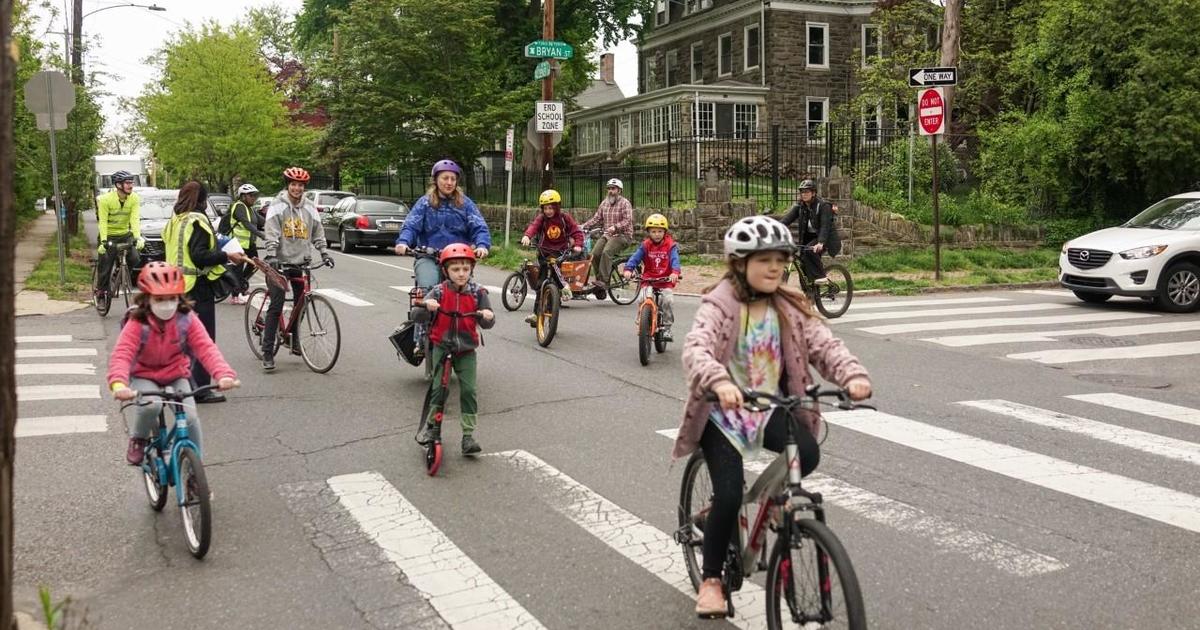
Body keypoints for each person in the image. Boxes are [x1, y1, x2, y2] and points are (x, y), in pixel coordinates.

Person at [673, 215, 871, 618]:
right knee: (728, 493)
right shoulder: (720, 304)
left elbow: (824, 344)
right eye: (764, 260)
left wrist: (851, 375)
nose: (775, 268)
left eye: (781, 260)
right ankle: (712, 579)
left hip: (768, 409)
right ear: (739, 263)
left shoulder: (788, 306)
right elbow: (697, 348)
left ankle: (767, 503)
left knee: (809, 453)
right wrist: (717, 381)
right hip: (723, 414)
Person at [107, 262, 239, 465]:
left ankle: (195, 472)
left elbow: (206, 347)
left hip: (176, 373)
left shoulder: (187, 319)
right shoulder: (137, 322)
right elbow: (122, 354)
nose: (167, 304)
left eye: (172, 298)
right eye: (160, 299)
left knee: (191, 418)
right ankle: (138, 439)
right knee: (152, 406)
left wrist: (223, 374)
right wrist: (119, 384)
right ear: (147, 298)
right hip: (144, 375)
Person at [163, 181, 248, 404]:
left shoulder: (176, 219)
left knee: (179, 337)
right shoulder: (198, 220)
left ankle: (178, 383)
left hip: (174, 285)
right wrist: (227, 256)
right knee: (202, 338)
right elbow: (200, 255)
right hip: (196, 286)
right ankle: (200, 388)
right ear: (202, 199)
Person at [416, 244, 496, 455]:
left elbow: (489, 321)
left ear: (471, 270)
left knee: (469, 390)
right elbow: (417, 315)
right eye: (455, 269)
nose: (461, 274)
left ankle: (468, 436)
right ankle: (433, 428)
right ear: (446, 271)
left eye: (465, 269)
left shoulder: (478, 292)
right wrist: (427, 305)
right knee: (439, 389)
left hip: (466, 350)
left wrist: (487, 315)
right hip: (442, 347)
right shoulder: (439, 291)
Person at [260, 166, 335, 371]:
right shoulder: (277, 205)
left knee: (301, 303)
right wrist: (272, 254)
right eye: (293, 184)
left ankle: (292, 341)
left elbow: (318, 231)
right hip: (279, 262)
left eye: (300, 185)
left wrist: (324, 252)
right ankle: (267, 351)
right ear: (288, 185)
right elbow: (272, 231)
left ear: (304, 187)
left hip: (300, 261)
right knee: (277, 305)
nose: (296, 188)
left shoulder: (309, 207)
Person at [393, 159, 492, 291]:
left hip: (458, 258)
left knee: (463, 293)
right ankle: (425, 309)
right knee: (428, 290)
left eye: (453, 179)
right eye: (445, 178)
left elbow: (479, 227)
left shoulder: (466, 204)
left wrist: (482, 245)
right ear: (436, 180)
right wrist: (403, 242)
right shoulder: (424, 203)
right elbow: (411, 225)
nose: (449, 182)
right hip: (428, 257)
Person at [520, 189, 584, 326]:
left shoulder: (564, 218)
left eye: (551, 208)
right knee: (540, 284)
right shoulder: (542, 218)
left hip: (560, 252)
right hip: (544, 252)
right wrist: (527, 236)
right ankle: (536, 314)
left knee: (555, 272)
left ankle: (562, 290)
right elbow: (533, 227)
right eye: (545, 208)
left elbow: (576, 231)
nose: (548, 211)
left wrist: (578, 245)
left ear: (557, 207)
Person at [621, 213, 682, 341]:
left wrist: (675, 272)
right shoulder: (645, 245)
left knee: (668, 301)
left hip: (665, 280)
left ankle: (667, 328)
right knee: (642, 298)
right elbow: (635, 258)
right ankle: (642, 317)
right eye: (653, 231)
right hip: (648, 279)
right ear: (649, 232)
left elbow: (675, 260)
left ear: (665, 232)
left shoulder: (670, 245)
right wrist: (628, 269)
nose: (657, 234)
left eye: (660, 231)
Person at [778, 179, 840, 284]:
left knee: (810, 250)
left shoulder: (823, 206)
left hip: (825, 238)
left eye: (807, 192)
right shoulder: (800, 206)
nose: (804, 194)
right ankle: (809, 293)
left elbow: (825, 226)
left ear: (813, 193)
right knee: (803, 264)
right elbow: (785, 220)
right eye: (802, 192)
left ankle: (821, 276)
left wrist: (820, 242)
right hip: (810, 238)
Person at [95, 170, 144, 297]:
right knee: (105, 263)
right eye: (128, 183)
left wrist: (138, 237)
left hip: (124, 234)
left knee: (135, 258)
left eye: (132, 183)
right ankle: (101, 290)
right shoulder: (105, 200)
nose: (131, 185)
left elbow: (134, 219)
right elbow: (103, 222)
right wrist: (103, 241)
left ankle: (119, 271)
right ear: (118, 185)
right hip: (109, 235)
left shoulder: (134, 198)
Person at [579, 177, 634, 289]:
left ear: (619, 190)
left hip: (623, 236)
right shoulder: (604, 203)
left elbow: (628, 220)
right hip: (607, 235)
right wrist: (582, 226)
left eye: (613, 188)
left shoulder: (625, 203)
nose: (610, 191)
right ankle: (599, 282)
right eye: (609, 188)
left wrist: (615, 227)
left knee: (606, 252)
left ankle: (604, 281)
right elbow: (596, 219)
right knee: (594, 254)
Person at [223, 183, 266, 305]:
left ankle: (241, 285)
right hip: (238, 244)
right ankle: (235, 295)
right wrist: (262, 235)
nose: (254, 198)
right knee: (238, 269)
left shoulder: (250, 209)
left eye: (255, 196)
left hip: (249, 244)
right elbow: (247, 224)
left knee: (255, 264)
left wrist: (275, 226)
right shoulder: (239, 207)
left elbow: (262, 221)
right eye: (251, 195)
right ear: (243, 197)